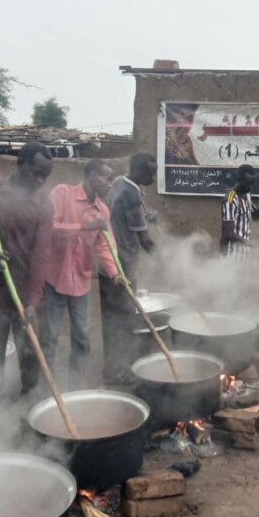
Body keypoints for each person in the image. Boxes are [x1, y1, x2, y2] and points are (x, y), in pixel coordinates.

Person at [0, 142, 54, 399]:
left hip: (28, 296)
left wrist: (32, 302)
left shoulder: (44, 206)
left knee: (32, 363)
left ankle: (30, 421)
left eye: (45, 176)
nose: (40, 180)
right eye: (34, 172)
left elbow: (41, 255)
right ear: (20, 164)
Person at [25, 159, 122, 390]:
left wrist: (115, 273)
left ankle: (75, 390)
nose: (110, 184)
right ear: (91, 177)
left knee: (82, 339)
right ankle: (46, 392)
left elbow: (104, 246)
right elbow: (49, 228)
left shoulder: (103, 211)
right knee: (49, 338)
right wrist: (83, 227)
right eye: (107, 179)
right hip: (53, 280)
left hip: (81, 281)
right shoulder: (63, 194)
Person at [98, 152, 158, 383]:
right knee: (122, 321)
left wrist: (146, 214)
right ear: (139, 171)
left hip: (109, 265)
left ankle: (114, 367)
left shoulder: (120, 182)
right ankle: (117, 372)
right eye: (150, 174)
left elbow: (129, 214)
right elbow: (145, 240)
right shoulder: (131, 194)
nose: (153, 179)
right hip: (122, 268)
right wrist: (166, 263)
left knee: (111, 319)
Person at [220, 164, 259, 261]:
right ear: (239, 179)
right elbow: (229, 233)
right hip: (231, 255)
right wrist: (252, 243)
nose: (251, 187)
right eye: (248, 183)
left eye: (253, 183)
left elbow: (256, 216)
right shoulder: (230, 199)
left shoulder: (247, 195)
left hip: (244, 254)